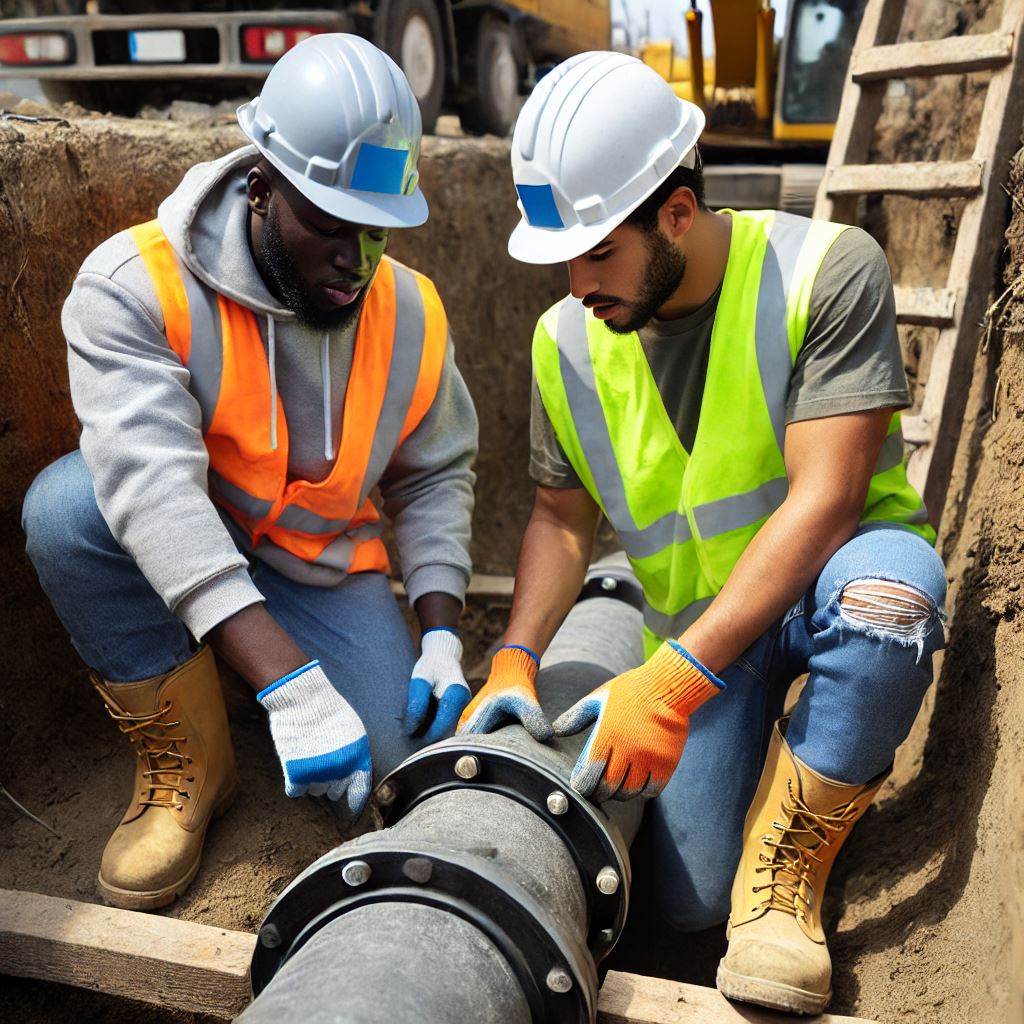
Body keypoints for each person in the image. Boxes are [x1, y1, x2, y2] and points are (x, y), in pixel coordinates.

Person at [458, 52, 946, 1016]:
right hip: (699, 635)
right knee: (686, 901)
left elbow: (828, 501)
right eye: (565, 251)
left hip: (827, 581)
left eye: (598, 249)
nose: (575, 279)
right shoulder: (565, 339)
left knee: (891, 600)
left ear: (677, 212)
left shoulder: (825, 269)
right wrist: (515, 655)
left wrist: (671, 686)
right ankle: (745, 841)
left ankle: (793, 870)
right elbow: (561, 519)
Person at [21, 34, 478, 912]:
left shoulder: (411, 311)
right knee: (70, 506)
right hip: (193, 532)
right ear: (261, 185)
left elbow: (434, 475)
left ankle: (257, 671)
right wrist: (291, 683)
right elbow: (149, 491)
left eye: (378, 227)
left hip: (320, 563)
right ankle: (194, 762)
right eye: (331, 225)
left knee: (399, 766)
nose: (359, 257)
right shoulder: (133, 283)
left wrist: (442, 632)